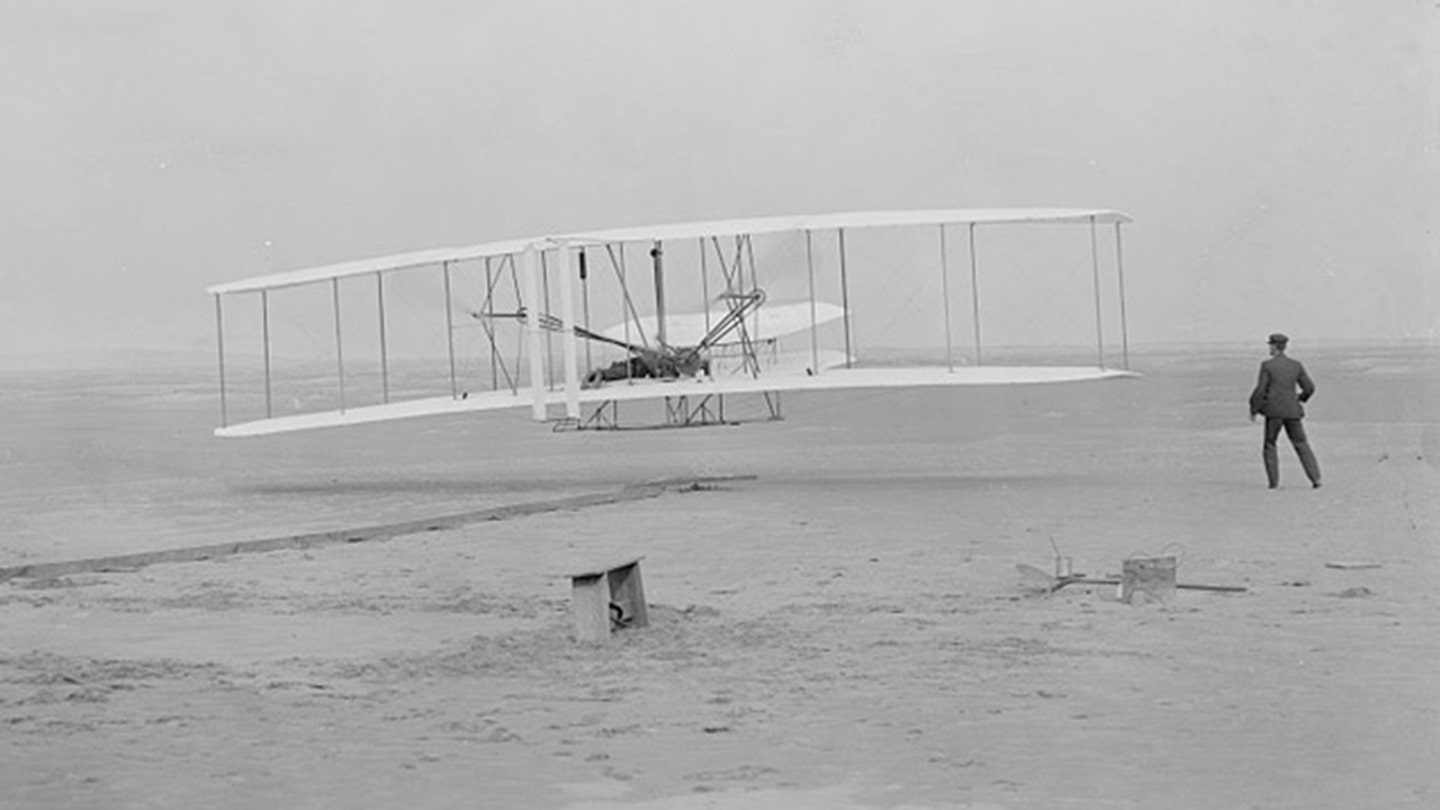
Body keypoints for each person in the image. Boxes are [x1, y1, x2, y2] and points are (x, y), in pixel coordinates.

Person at [1248, 333, 1322, 489]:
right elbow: (1309, 387)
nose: (1269, 347)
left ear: (1274, 347)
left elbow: (1260, 390)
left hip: (1273, 412)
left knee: (1270, 444)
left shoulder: (1267, 365)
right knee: (1301, 443)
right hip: (1292, 411)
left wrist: (1254, 408)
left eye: (1270, 345)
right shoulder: (1296, 365)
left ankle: (1273, 483)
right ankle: (1316, 479)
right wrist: (1300, 398)